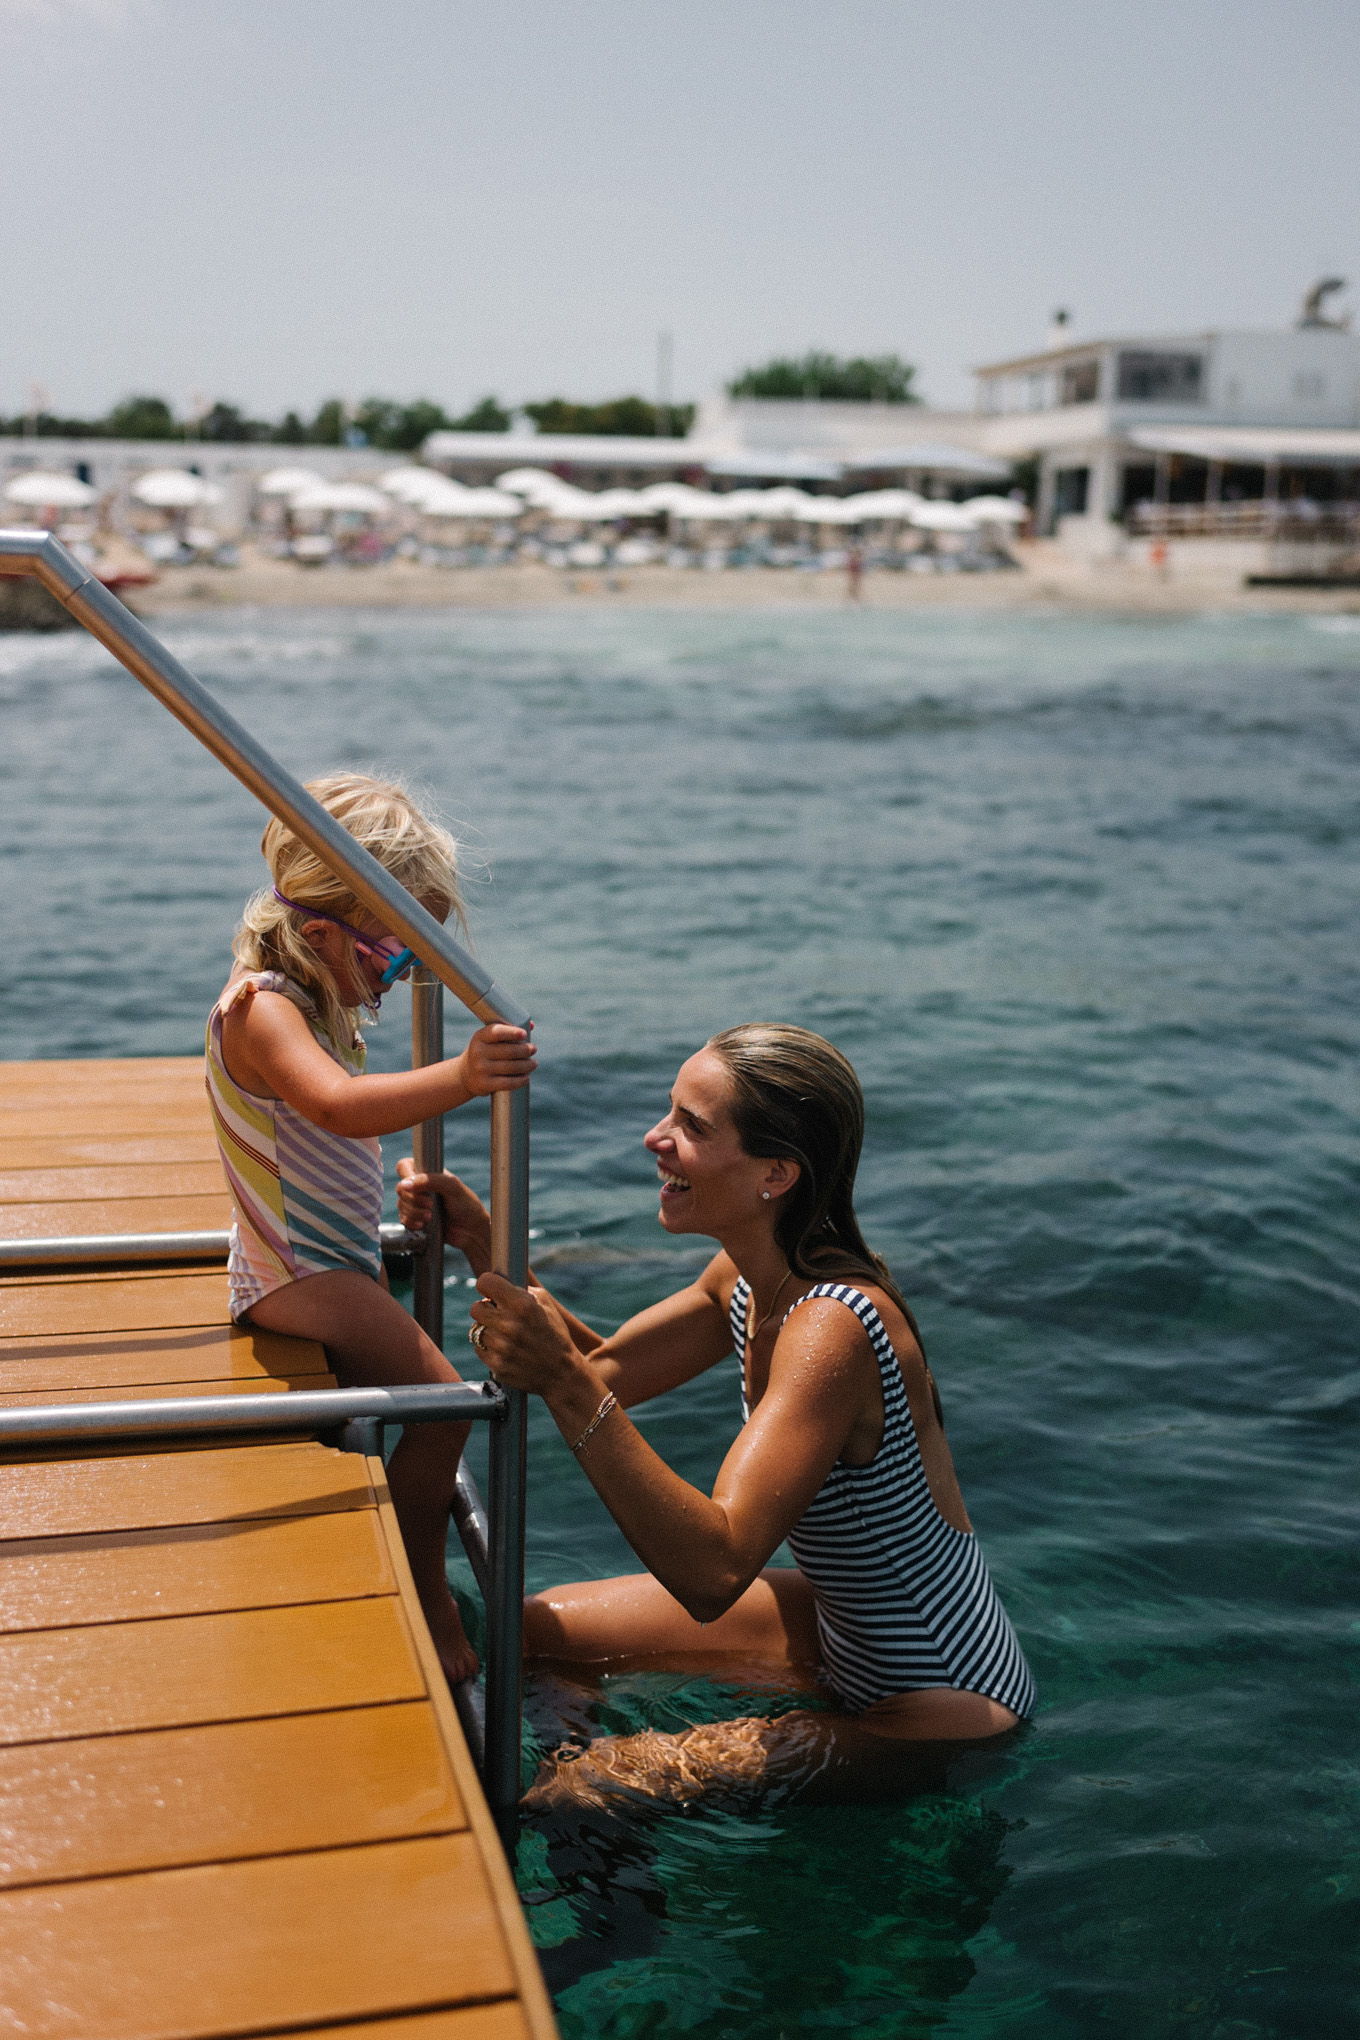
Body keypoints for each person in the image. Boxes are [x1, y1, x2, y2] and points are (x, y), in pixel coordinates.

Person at [398, 1023, 1035, 1807]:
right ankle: (567, 1749)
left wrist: (564, 1383)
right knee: (531, 1632)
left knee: (585, 1788)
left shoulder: (833, 1327)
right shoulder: (742, 1273)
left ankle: (583, 1842)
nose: (654, 1138)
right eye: (670, 1113)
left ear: (777, 1173)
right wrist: (486, 1243)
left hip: (940, 1700)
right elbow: (604, 1371)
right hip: (833, 1622)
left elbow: (715, 1571)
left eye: (692, 1127)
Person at [207, 770, 535, 1684]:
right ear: (319, 932)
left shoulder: (309, 992)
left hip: (318, 1256)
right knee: (445, 1408)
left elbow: (317, 1140)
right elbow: (341, 1107)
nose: (400, 977)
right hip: (300, 1274)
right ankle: (420, 1594)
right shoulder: (268, 1009)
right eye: (394, 955)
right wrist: (464, 1078)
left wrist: (392, 1200)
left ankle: (388, 1557)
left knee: (399, 1413)